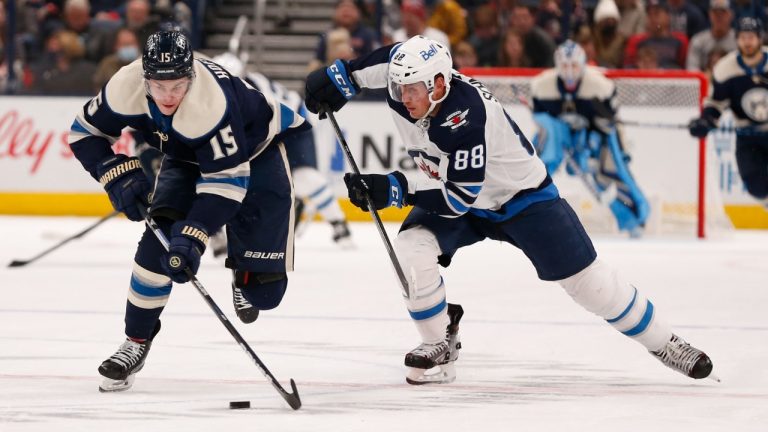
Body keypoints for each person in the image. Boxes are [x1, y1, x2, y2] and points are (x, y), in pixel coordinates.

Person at [304, 35, 715, 385]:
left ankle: (666, 343)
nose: (404, 97)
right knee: (412, 249)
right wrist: (336, 77)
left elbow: (456, 199)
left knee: (591, 286)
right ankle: (438, 341)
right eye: (398, 88)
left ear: (441, 84)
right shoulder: (404, 77)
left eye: (413, 89)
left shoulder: (463, 117)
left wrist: (394, 189)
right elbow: (372, 65)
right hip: (463, 197)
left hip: (522, 200)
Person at [67, 30, 309, 392]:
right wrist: (113, 173)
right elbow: (83, 132)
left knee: (264, 296)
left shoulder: (211, 103)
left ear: (191, 76)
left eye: (177, 86)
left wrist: (195, 233)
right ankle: (136, 342)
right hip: (185, 158)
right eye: (159, 85)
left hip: (257, 156)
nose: (168, 96)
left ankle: (243, 269)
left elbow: (228, 184)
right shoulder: (126, 85)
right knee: (157, 246)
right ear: (144, 76)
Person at [212, 51, 354, 248]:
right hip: (272, 126)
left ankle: (339, 223)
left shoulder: (253, 91)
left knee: (304, 176)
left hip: (293, 124)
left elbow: (266, 124)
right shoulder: (228, 90)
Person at [531, 40, 649, 237]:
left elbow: (612, 123)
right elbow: (543, 122)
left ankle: (634, 218)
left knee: (608, 170)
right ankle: (530, 214)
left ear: (583, 64)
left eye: (574, 65)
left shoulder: (600, 87)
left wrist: (618, 151)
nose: (569, 71)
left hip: (594, 131)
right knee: (538, 166)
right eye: (565, 66)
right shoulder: (542, 86)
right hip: (560, 133)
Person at [689, 17, 768, 209]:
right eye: (743, 37)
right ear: (737, 39)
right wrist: (706, 120)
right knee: (756, 187)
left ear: (759, 39)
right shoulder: (725, 69)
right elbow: (716, 103)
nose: (747, 42)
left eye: (751, 37)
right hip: (747, 137)